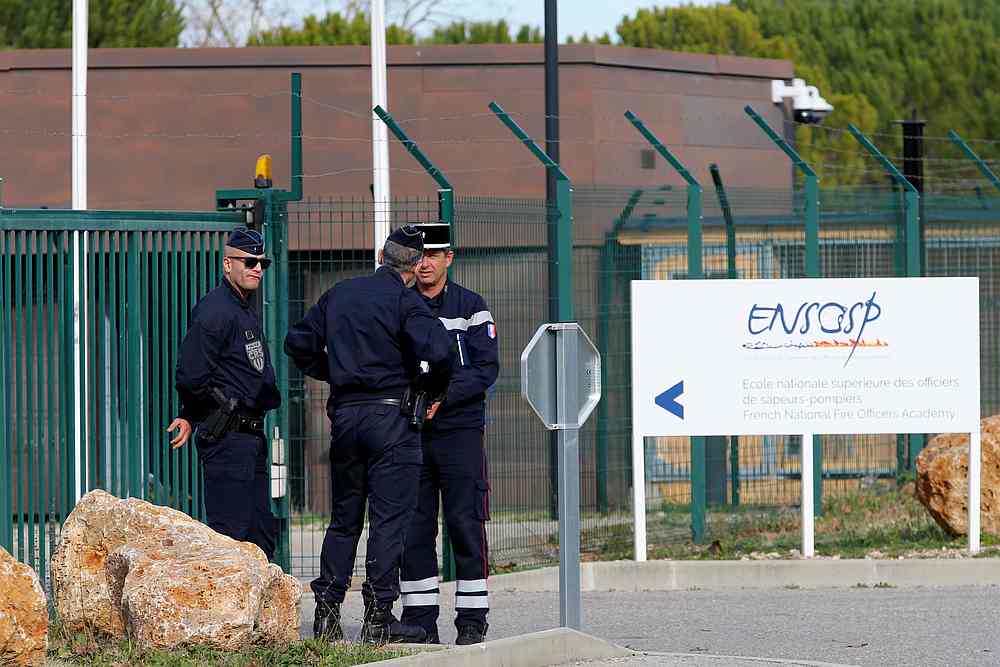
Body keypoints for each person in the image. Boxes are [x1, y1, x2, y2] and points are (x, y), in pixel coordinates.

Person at [284, 225, 453, 645]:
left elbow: (297, 343)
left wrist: (334, 372)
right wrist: (427, 386)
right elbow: (439, 351)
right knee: (388, 520)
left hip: (345, 417)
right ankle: (378, 618)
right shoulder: (407, 300)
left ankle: (326, 614)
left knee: (344, 519)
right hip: (392, 419)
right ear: (415, 265)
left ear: (381, 253)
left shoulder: (340, 293)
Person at [399, 222, 499, 645]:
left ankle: (472, 618)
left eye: (434, 256)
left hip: (459, 430)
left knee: (465, 521)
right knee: (414, 524)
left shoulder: (472, 307)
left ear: (448, 259)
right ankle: (420, 618)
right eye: (419, 256)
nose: (425, 263)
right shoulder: (399, 304)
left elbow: (485, 369)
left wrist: (442, 396)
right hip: (412, 429)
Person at [167, 226, 281, 559]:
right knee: (231, 538)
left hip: (250, 435)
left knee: (260, 533)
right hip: (228, 435)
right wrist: (196, 412)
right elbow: (191, 374)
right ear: (227, 264)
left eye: (262, 262)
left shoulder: (243, 306)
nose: (257, 268)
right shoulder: (216, 310)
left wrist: (191, 414)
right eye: (248, 262)